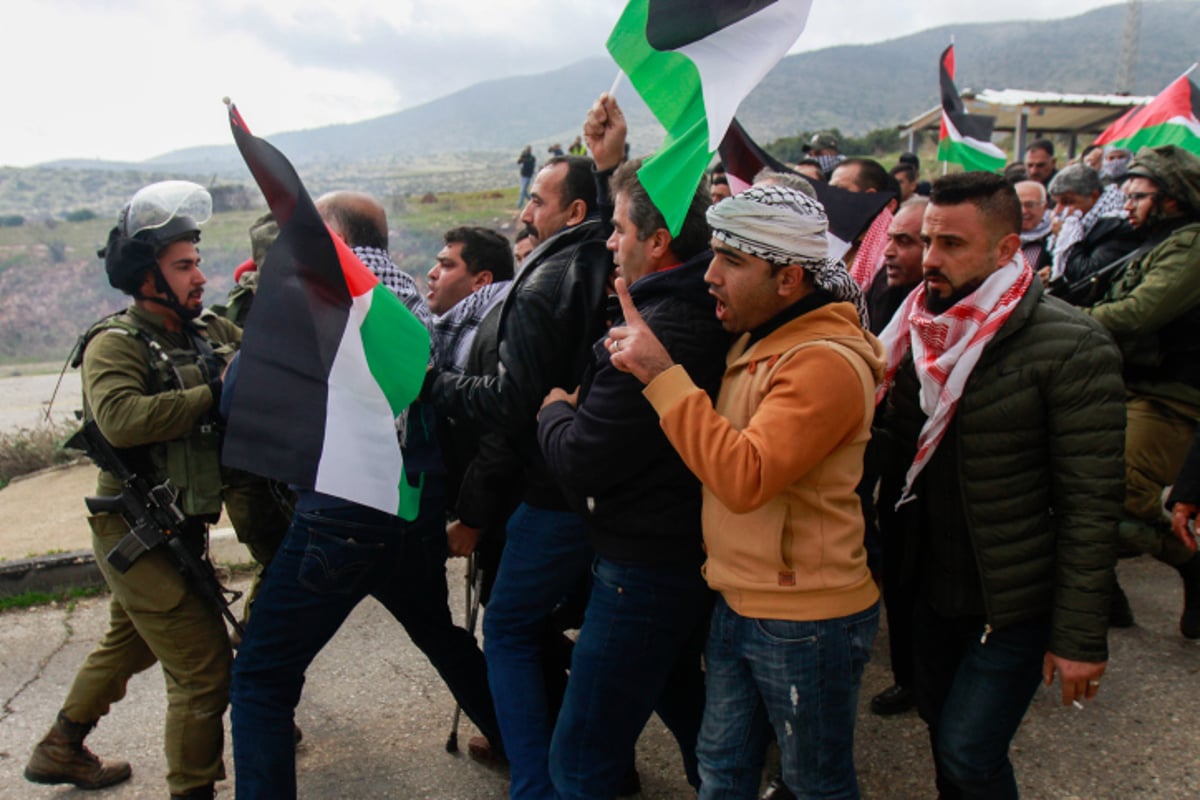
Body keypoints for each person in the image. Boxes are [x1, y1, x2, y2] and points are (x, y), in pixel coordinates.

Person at [608, 184, 882, 799]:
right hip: (742, 596)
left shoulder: (822, 362)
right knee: (722, 767)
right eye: (714, 254)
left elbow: (745, 477)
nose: (710, 275)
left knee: (815, 783)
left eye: (732, 261)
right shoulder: (762, 338)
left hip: (805, 617)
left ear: (788, 278)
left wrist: (660, 373)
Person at [229, 192, 502, 799]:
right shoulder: (408, 301)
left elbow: (241, 397)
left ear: (335, 238)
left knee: (260, 679)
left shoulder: (325, 302)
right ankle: (518, 739)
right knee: (437, 631)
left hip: (339, 513)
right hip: (413, 508)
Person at [875, 172, 1125, 799]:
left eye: (951, 245)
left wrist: (1078, 639)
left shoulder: (1071, 345)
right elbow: (891, 451)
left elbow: (1091, 504)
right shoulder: (916, 331)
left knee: (967, 751)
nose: (930, 260)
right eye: (928, 241)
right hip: (929, 588)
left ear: (1008, 248)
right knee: (943, 736)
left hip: (1012, 599)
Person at [537, 94, 730, 796]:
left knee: (581, 757)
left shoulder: (662, 330)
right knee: (693, 714)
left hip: (642, 567)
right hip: (678, 553)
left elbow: (584, 455)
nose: (610, 242)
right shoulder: (692, 300)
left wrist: (554, 412)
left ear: (659, 243)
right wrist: (609, 165)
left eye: (619, 230)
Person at [25, 181, 238, 799]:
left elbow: (258, 360)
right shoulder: (115, 344)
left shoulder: (202, 332)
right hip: (136, 529)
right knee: (203, 671)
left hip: (175, 526)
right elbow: (119, 418)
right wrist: (215, 394)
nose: (198, 276)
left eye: (197, 263)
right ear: (148, 277)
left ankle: (61, 746)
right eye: (183, 266)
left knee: (132, 641)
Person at [427, 134, 613, 796]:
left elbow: (513, 406)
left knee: (507, 629)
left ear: (574, 212)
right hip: (595, 481)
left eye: (536, 198)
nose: (523, 211)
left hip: (552, 489)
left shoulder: (544, 286)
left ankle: (536, 783)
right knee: (602, 638)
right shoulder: (600, 263)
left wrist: (433, 384)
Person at [1087, 145, 1200, 638]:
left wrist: (1063, 321)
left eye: (1139, 195)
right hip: (1130, 386)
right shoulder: (1156, 242)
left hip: (1170, 397)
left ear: (1172, 199)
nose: (1127, 204)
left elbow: (1138, 314)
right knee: (1080, 486)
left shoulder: (1192, 245)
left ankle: (1193, 563)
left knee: (1122, 495)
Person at [864, 197, 927, 719]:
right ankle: (911, 676)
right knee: (903, 576)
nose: (889, 252)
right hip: (893, 458)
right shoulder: (884, 294)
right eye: (890, 238)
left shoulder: (956, 313)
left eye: (905, 241)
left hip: (933, 463)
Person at [1043, 163, 1140, 300]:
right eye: (1056, 204)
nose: (1059, 211)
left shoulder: (1117, 225)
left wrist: (1069, 238)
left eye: (1068, 202)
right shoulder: (1084, 224)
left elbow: (1084, 274)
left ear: (1094, 196)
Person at [1015, 180, 1053, 273]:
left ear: (1044, 206)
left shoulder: (1057, 236)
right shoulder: (998, 234)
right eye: (1018, 205)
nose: (1023, 211)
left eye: (1030, 205)